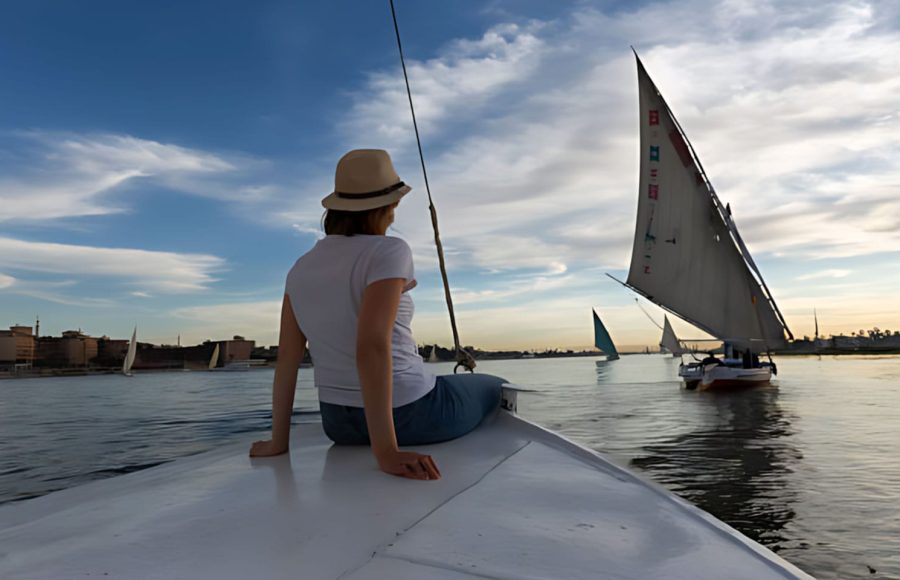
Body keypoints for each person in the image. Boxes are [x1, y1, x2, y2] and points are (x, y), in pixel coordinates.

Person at [249, 149, 504, 481]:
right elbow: (371, 344)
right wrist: (386, 452)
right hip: (411, 414)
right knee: (494, 386)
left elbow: (287, 357)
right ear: (386, 207)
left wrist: (278, 442)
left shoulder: (299, 268)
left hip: (338, 424)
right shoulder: (389, 251)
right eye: (394, 206)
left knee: (444, 382)